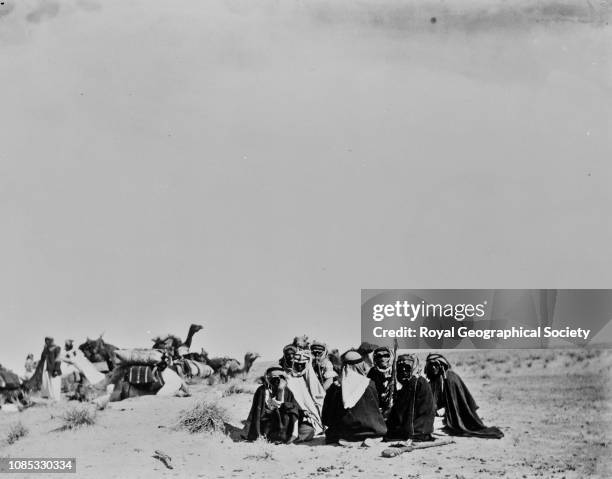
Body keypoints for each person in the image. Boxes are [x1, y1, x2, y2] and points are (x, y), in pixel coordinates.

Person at [424, 353, 504, 439]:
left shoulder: (450, 378)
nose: (433, 368)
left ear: (441, 365)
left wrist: (443, 410)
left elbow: (455, 407)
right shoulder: (435, 380)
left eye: (435, 365)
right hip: (441, 415)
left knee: (427, 427)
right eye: (431, 365)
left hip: (455, 417)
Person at [322, 350, 387, 444]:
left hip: (345, 432)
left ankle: (350, 438)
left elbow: (326, 417)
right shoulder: (370, 384)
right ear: (360, 365)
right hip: (372, 430)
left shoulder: (335, 387)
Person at [386, 354, 435, 441]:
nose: (403, 370)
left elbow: (403, 411)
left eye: (407, 367)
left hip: (416, 430)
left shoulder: (414, 383)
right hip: (423, 428)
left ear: (414, 367)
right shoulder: (415, 381)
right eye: (400, 367)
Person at [247, 367, 301, 443]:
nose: (277, 380)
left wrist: (280, 390)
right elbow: (257, 414)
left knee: (307, 429)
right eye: (274, 377)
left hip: (284, 423)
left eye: (280, 377)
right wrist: (258, 434)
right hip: (268, 424)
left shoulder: (287, 391)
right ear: (268, 379)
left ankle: (291, 436)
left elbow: (294, 408)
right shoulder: (262, 391)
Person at [285, 349, 324, 440]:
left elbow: (321, 400)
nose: (299, 366)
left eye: (302, 364)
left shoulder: (313, 378)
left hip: (316, 418)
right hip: (299, 416)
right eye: (297, 364)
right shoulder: (290, 379)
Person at [367, 346, 394, 413]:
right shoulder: (372, 372)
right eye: (379, 356)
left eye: (386, 355)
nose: (382, 359)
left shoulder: (395, 370)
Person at [40, 337, 62, 401]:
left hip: (55, 370)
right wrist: (44, 348)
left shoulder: (57, 348)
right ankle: (52, 399)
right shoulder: (47, 349)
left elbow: (58, 359)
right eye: (45, 341)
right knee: (51, 385)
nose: (46, 342)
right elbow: (43, 357)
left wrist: (56, 370)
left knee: (55, 385)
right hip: (49, 370)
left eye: (47, 341)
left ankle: (56, 400)